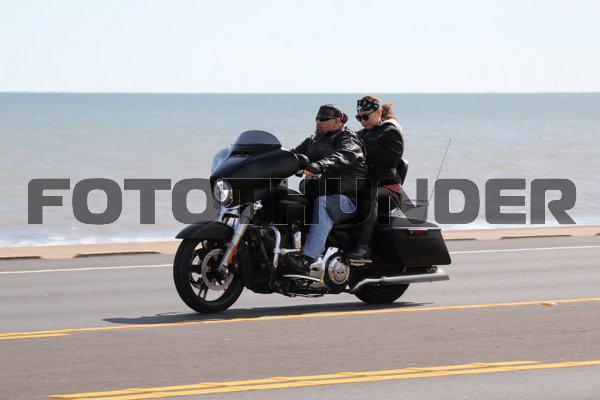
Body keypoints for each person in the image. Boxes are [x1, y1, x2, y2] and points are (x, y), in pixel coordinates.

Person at [286, 104, 367, 275]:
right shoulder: (313, 141)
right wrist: (265, 158)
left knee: (324, 204)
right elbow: (292, 156)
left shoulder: (347, 138)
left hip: (347, 200)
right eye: (317, 118)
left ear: (337, 122)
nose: (318, 122)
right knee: (286, 199)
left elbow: (344, 155)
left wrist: (320, 165)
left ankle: (308, 259)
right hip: (318, 193)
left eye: (323, 119)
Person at [347, 95, 404, 263]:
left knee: (368, 194)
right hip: (364, 185)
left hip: (388, 189)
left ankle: (363, 247)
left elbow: (390, 159)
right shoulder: (360, 135)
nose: (362, 121)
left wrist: (361, 150)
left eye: (366, 117)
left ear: (379, 113)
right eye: (359, 118)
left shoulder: (390, 131)